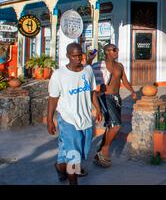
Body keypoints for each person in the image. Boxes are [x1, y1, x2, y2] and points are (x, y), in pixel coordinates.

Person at [47, 42, 102, 185]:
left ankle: (60, 167)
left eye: (79, 55)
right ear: (67, 56)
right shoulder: (59, 75)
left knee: (77, 149)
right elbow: (53, 99)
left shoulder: (88, 71)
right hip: (67, 119)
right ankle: (73, 182)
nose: (77, 59)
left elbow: (92, 92)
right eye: (74, 56)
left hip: (85, 119)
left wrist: (98, 108)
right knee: (74, 155)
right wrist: (49, 120)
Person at [91, 44, 137, 167]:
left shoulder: (119, 66)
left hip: (117, 98)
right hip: (105, 98)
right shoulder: (99, 65)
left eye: (117, 49)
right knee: (116, 125)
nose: (117, 51)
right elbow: (90, 81)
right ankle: (105, 149)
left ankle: (99, 153)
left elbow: (125, 81)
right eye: (114, 50)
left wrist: (132, 91)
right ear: (107, 52)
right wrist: (97, 107)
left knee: (111, 125)